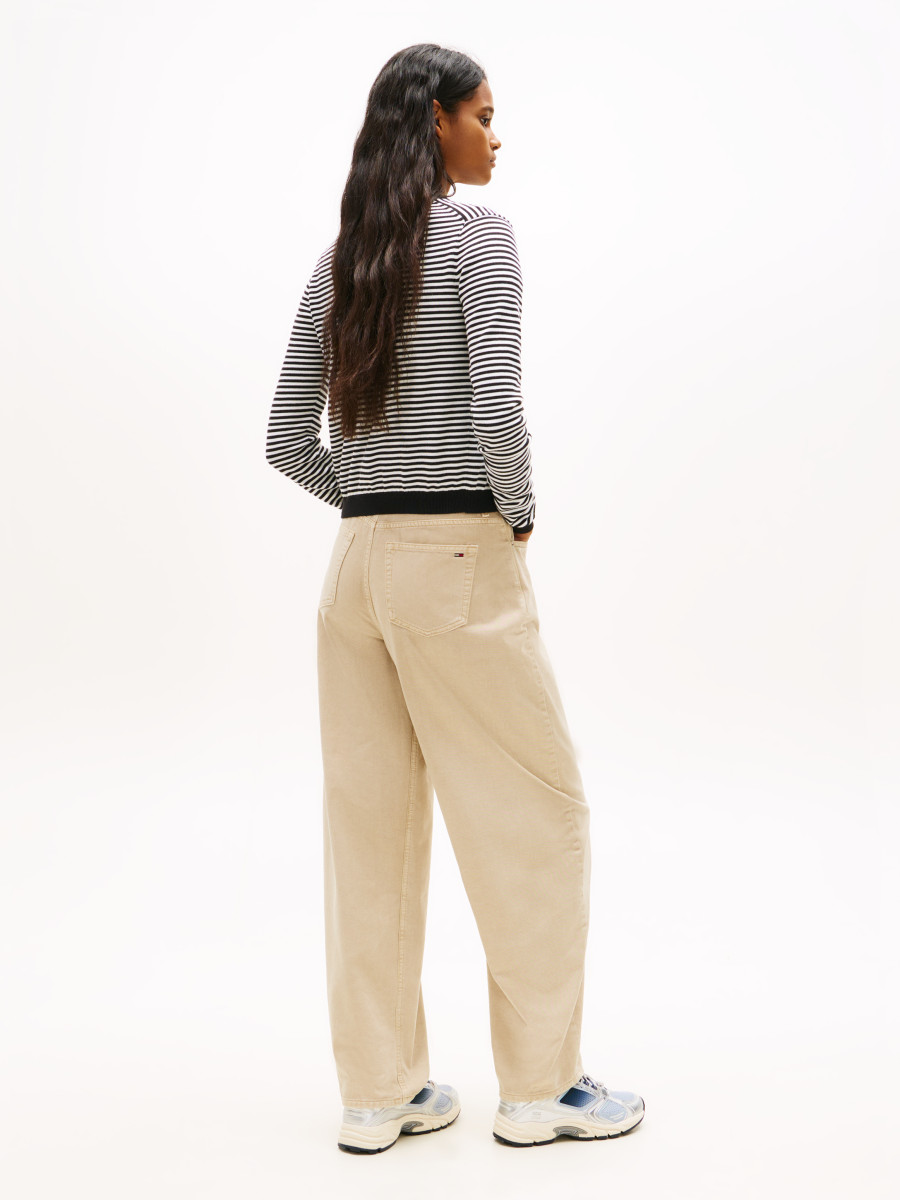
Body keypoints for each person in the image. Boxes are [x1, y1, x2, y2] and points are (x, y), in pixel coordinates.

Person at [265, 43, 644, 1154]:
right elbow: (495, 399)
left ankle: (379, 1094)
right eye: (482, 114)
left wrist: (371, 497)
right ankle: (542, 1089)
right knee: (535, 813)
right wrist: (513, 510)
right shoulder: (480, 236)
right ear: (434, 120)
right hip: (458, 557)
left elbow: (285, 438)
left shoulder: (342, 260)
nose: (495, 134)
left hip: (355, 570)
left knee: (370, 831)